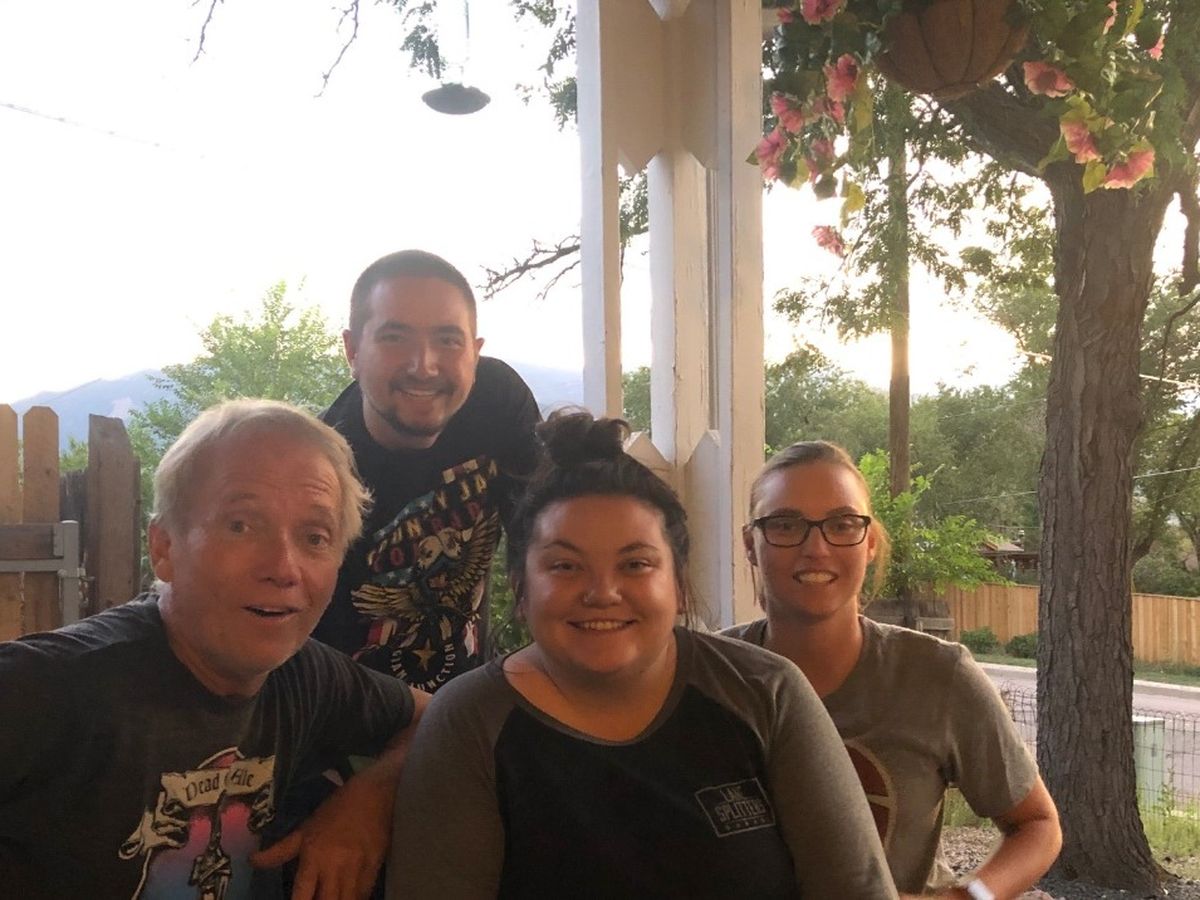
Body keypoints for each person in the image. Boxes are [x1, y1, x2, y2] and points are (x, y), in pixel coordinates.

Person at [387, 412, 897, 899]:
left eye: (635, 564)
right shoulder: (471, 722)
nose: (602, 593)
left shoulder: (765, 692)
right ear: (521, 589)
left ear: (678, 585)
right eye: (565, 566)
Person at [0, 399, 428, 900]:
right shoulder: (49, 688)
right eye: (241, 526)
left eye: (315, 537)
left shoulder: (305, 676)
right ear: (164, 548)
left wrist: (370, 798)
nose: (284, 567)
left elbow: (436, 717)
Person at [725, 441, 1062, 900]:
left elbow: (1037, 824)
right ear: (751, 544)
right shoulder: (709, 676)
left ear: (869, 543)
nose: (816, 547)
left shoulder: (937, 676)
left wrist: (966, 898)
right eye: (785, 524)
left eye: (843, 524)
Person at [316, 249, 540, 693]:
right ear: (353, 351)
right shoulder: (325, 471)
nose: (424, 365)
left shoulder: (496, 404)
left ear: (474, 353)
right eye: (395, 337)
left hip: (469, 701)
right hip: (346, 714)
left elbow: (544, 541)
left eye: (448, 340)